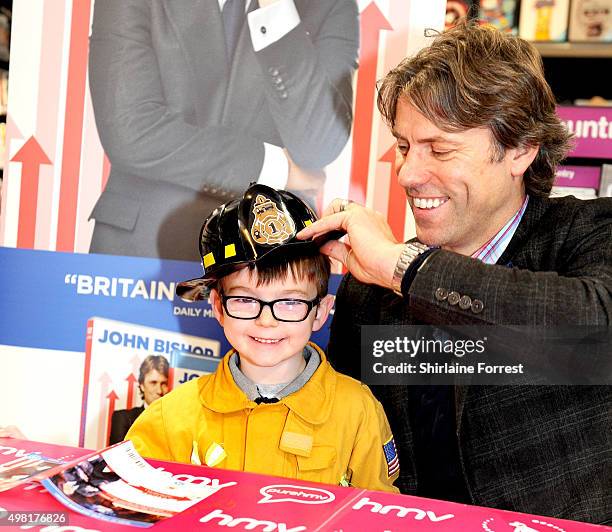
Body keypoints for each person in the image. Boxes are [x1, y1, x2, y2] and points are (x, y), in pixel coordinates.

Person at [298, 20, 612, 523]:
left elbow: (593, 332)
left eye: (439, 149)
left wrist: (402, 267)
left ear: (520, 150)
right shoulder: (374, 289)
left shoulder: (589, 234)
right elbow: (345, 429)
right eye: (403, 146)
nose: (407, 173)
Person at [126, 184, 399, 492]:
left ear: (320, 311)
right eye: (245, 300)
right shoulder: (168, 419)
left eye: (290, 301)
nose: (265, 320)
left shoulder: (358, 411)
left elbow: (378, 515)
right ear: (218, 306)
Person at [87, 0, 359, 260]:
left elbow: (319, 143)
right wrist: (278, 170)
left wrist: (276, 9)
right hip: (142, 251)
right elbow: (132, 132)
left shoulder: (330, 5)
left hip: (266, 263)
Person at [109, 355, 169, 445]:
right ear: (142, 385)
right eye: (153, 383)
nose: (159, 391)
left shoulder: (174, 422)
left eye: (163, 383)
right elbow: (117, 457)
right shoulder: (123, 418)